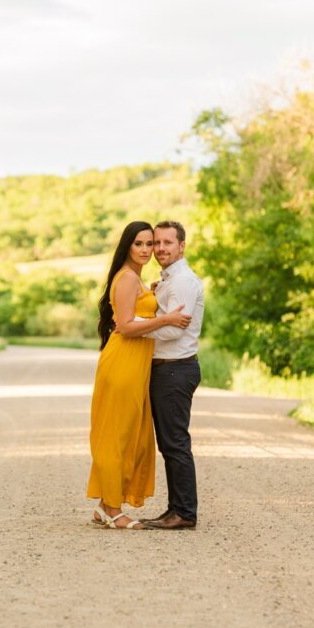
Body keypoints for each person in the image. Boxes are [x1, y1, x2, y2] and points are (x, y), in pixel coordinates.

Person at [87, 220, 193, 529]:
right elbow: (125, 326)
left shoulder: (137, 279)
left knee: (132, 436)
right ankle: (111, 508)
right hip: (123, 363)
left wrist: (152, 294)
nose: (147, 250)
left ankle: (104, 506)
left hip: (136, 364)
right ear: (127, 246)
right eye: (140, 244)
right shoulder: (127, 278)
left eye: (151, 244)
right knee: (118, 435)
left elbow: (136, 311)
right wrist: (166, 319)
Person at [129, 220, 205, 530]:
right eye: (156, 243)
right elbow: (167, 319)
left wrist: (134, 328)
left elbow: (175, 329)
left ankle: (184, 512)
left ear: (181, 246)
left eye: (167, 243)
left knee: (175, 443)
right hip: (168, 369)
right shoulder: (169, 280)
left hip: (175, 368)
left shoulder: (183, 280)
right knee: (170, 443)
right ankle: (176, 508)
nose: (159, 248)